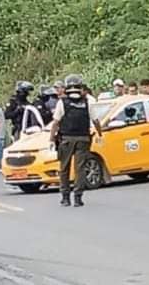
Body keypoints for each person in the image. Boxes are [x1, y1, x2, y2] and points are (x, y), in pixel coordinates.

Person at [50, 74, 103, 207]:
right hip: (83, 139)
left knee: (64, 168)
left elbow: (56, 123)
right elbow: (96, 121)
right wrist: (100, 135)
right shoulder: (87, 102)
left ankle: (65, 197)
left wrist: (51, 139)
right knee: (79, 169)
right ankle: (78, 197)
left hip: (66, 139)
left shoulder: (62, 102)